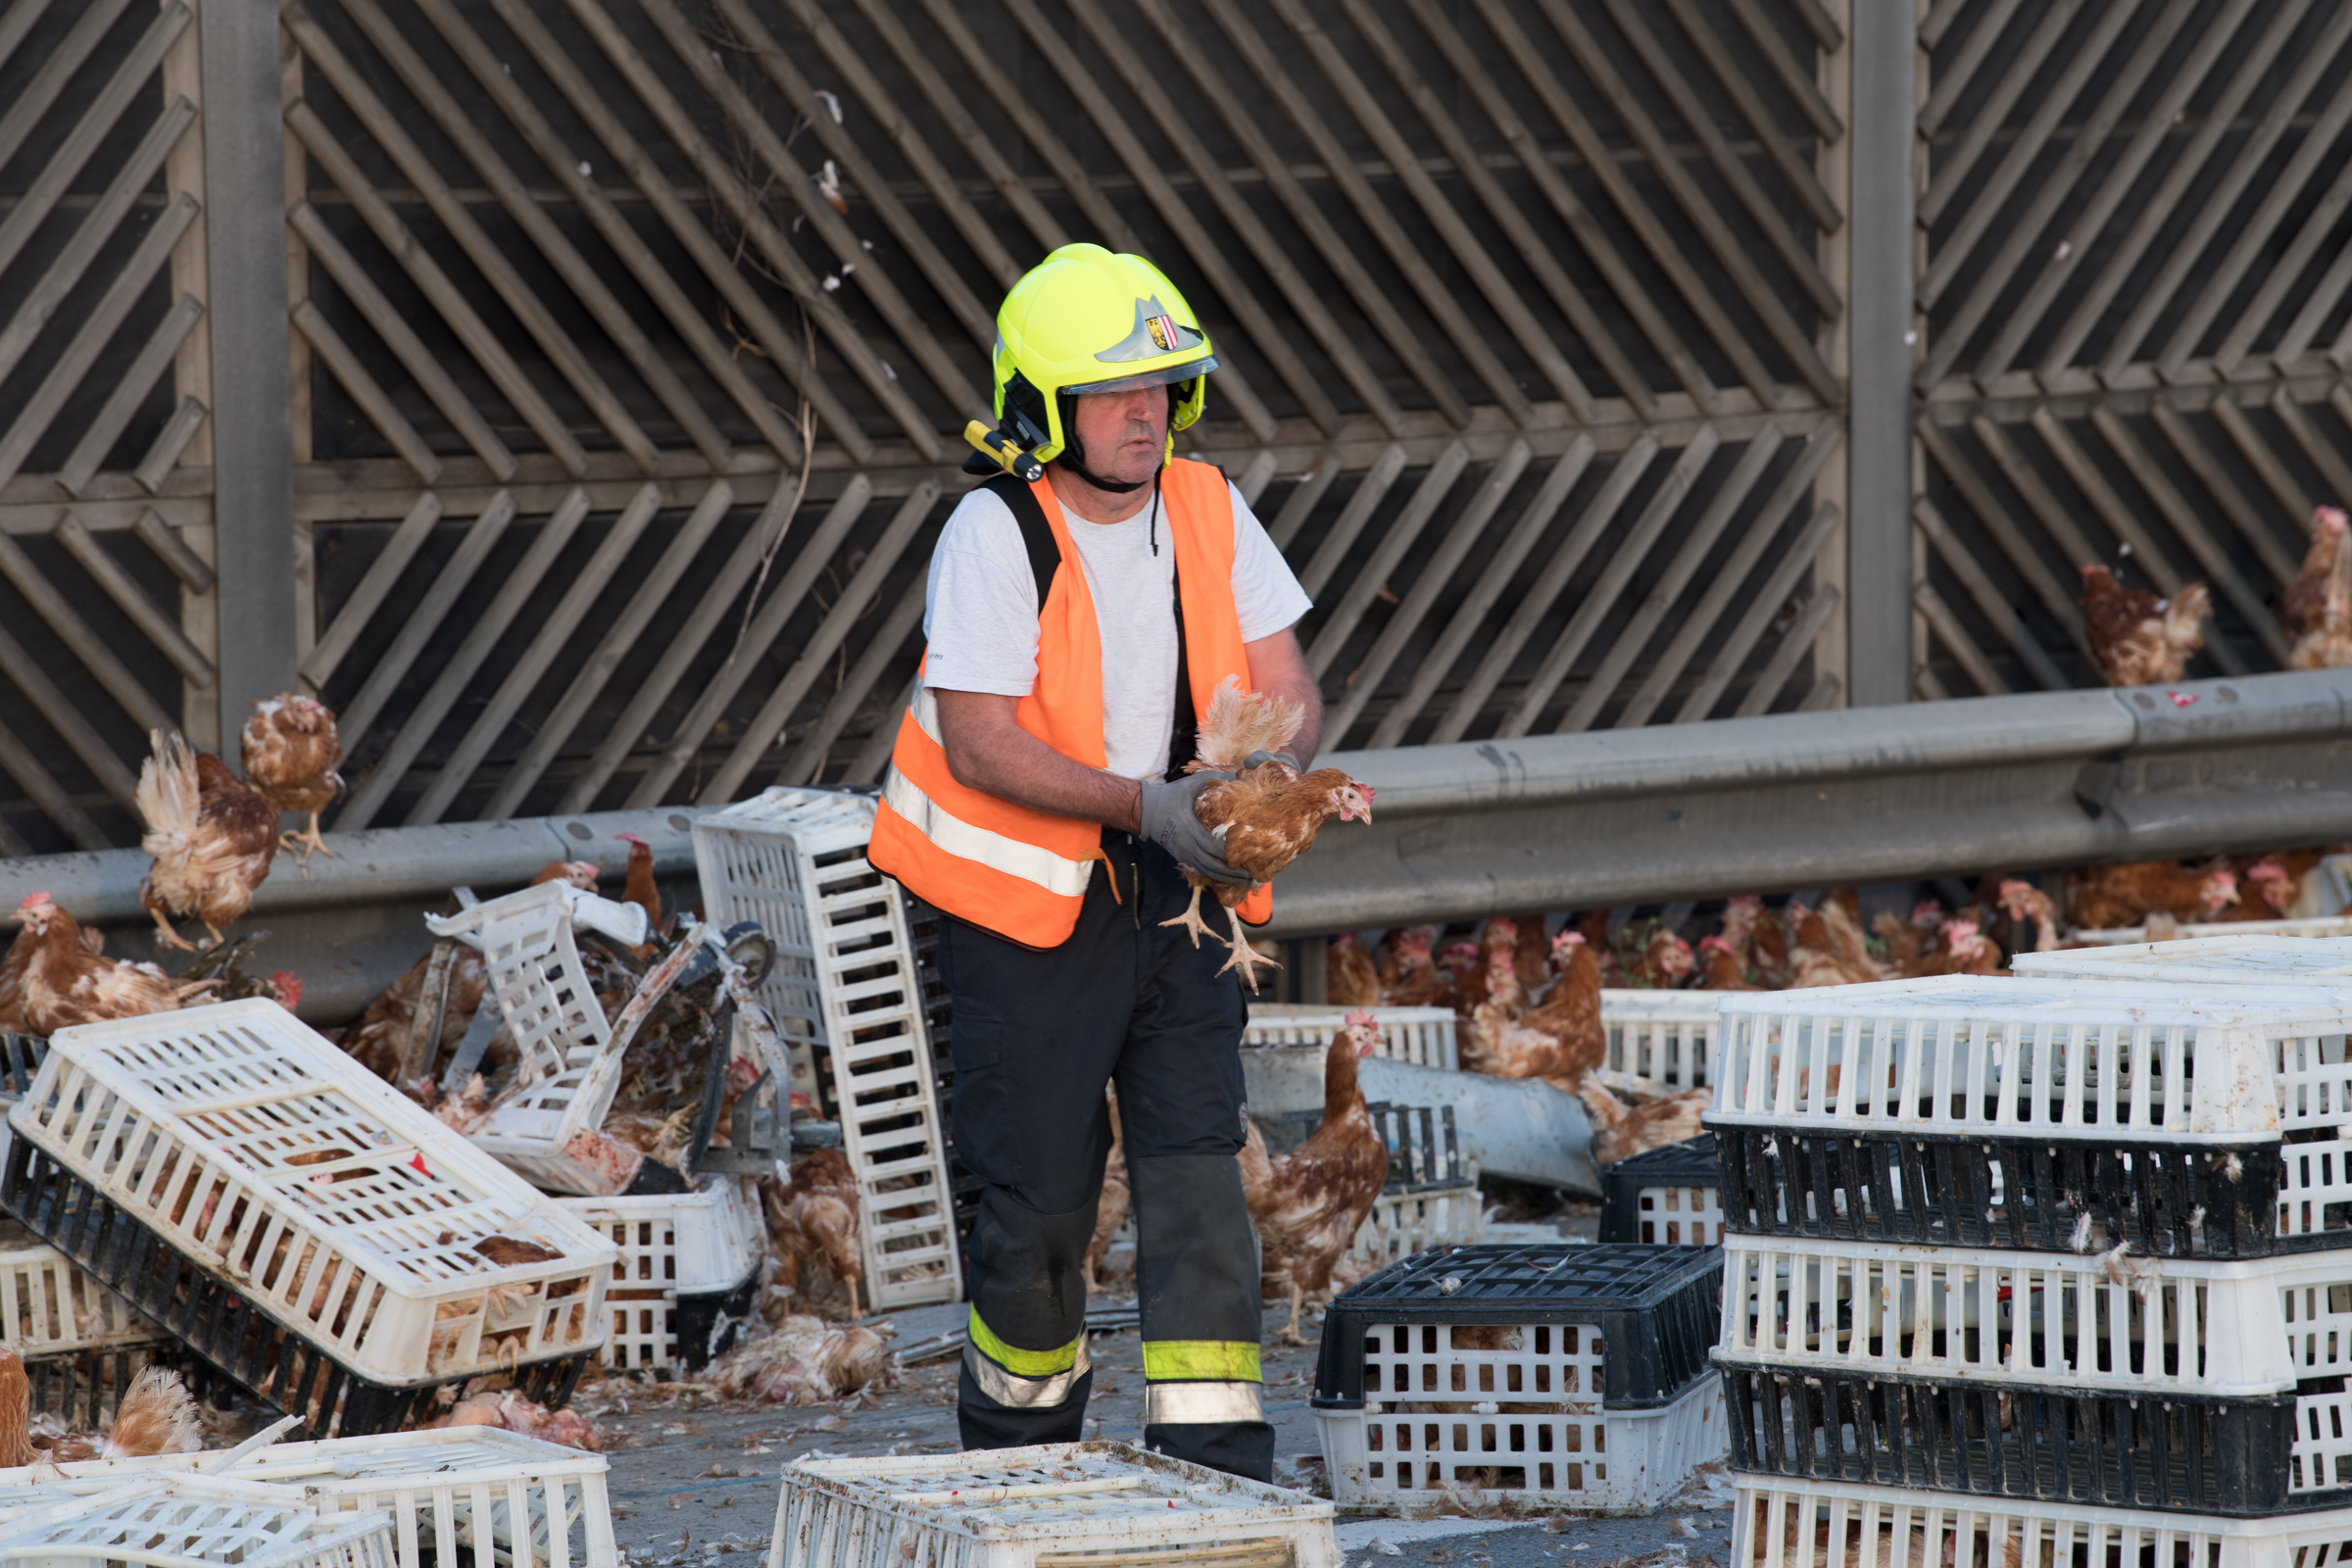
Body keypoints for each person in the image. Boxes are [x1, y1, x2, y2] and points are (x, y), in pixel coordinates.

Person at [868, 244, 1319, 1480]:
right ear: (1040, 409)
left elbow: (1284, 680)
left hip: (1182, 908)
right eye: (1115, 394)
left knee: (1199, 1192)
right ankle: (1018, 1469)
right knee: (1039, 1211)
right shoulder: (994, 529)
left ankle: (1219, 1473)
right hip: (1028, 917)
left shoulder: (1209, 502)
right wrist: (1146, 805)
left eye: (1165, 387)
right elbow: (980, 740)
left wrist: (1267, 780)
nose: (1147, 415)